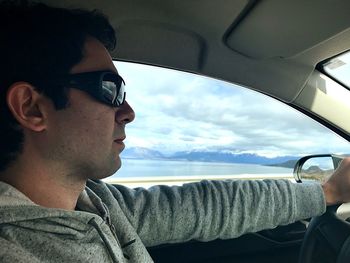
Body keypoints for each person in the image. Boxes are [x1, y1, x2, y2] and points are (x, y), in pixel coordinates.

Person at [0, 1, 349, 262]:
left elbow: (210, 206)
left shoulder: (97, 204)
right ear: (32, 107)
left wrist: (328, 191)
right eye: (109, 89)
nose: (128, 112)